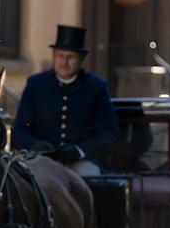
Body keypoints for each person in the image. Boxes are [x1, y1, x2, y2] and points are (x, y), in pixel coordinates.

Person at [12, 24, 119, 176]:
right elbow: (19, 130)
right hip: (40, 160)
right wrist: (36, 145)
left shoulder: (96, 87)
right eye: (60, 56)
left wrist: (79, 150)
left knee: (90, 180)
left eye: (70, 57)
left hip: (82, 162)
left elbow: (110, 135)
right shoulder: (36, 85)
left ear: (81, 60)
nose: (64, 62)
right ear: (54, 56)